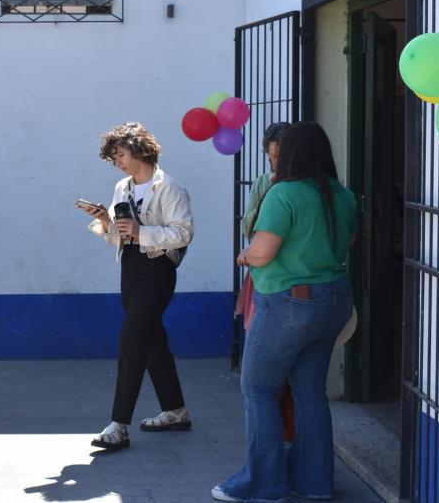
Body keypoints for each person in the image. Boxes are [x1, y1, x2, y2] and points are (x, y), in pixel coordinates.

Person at [212, 121, 357, 503]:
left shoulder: (283, 193)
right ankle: (313, 484)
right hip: (335, 298)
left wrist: (245, 255)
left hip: (290, 300)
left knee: (258, 388)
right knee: (310, 392)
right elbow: (348, 243)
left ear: (290, 153)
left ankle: (262, 485)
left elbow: (261, 251)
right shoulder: (343, 195)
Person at [79, 122, 194, 452]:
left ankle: (119, 425)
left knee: (131, 338)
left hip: (157, 269)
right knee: (151, 339)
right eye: (113, 155)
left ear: (140, 150)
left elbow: (183, 233)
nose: (117, 160)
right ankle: (176, 410)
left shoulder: (169, 188)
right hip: (130, 268)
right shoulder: (122, 187)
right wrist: (105, 221)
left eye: (121, 153)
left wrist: (142, 232)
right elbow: (121, 235)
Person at [235, 122, 296, 442]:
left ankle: (283, 428)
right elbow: (249, 227)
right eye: (274, 144)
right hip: (262, 273)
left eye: (284, 145)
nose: (278, 150)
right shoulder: (263, 183)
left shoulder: (303, 187)